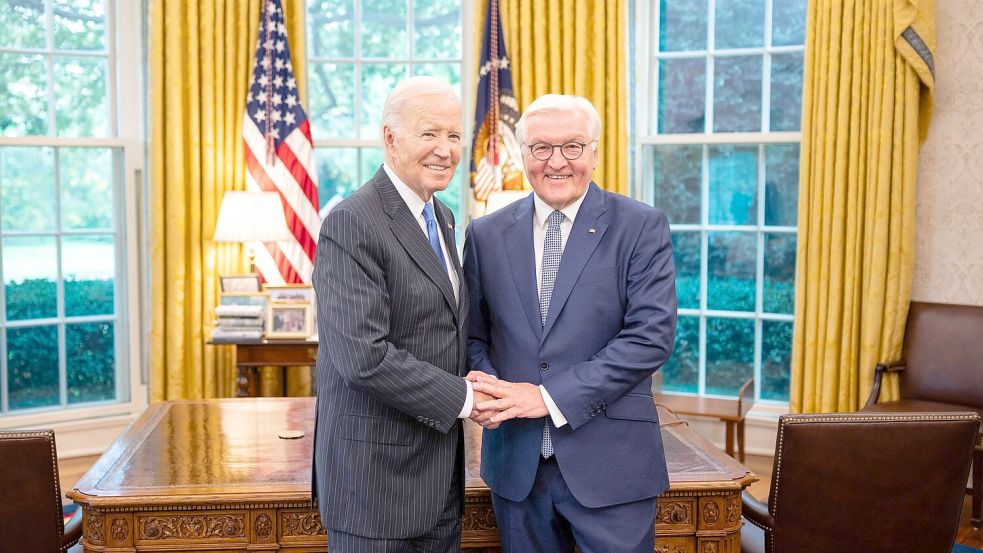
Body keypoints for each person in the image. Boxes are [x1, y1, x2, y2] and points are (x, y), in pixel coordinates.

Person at [463, 94, 677, 553]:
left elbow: (649, 340)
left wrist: (545, 397)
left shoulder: (640, 226)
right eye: (541, 148)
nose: (556, 162)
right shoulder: (484, 234)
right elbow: (475, 336)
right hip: (516, 470)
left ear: (595, 153)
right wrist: (491, 389)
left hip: (612, 468)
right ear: (524, 155)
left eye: (573, 147)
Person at [312, 76, 482, 553]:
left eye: (453, 135)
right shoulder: (352, 221)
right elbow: (363, 357)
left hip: (439, 478)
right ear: (390, 137)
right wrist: (467, 399)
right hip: (375, 488)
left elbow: (444, 330)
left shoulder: (442, 217)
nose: (445, 150)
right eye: (429, 134)